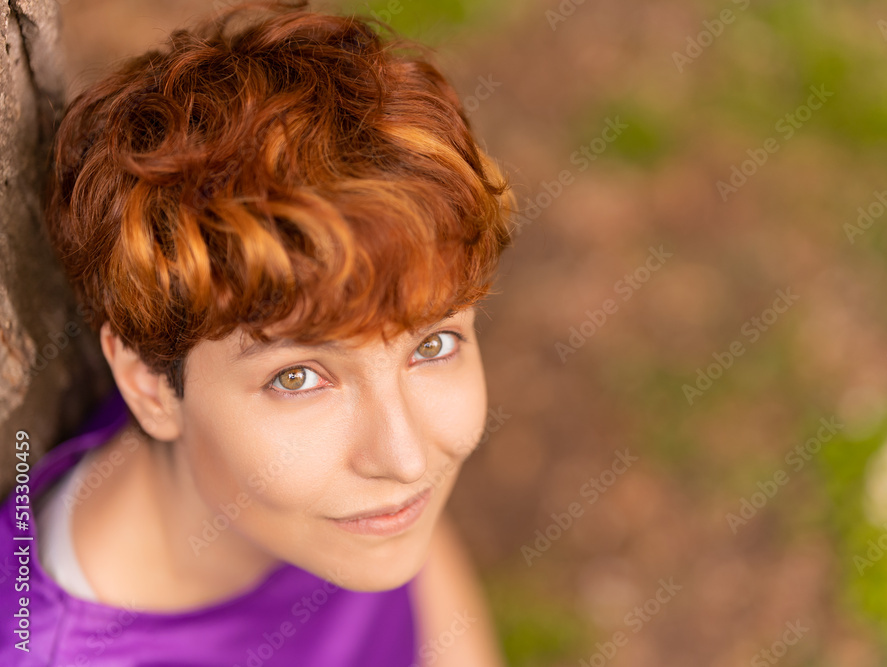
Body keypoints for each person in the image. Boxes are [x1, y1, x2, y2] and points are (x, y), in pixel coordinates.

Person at [0, 1, 515, 664]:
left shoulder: (337, 501)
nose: (407, 457)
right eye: (298, 377)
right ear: (149, 384)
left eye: (432, 344)